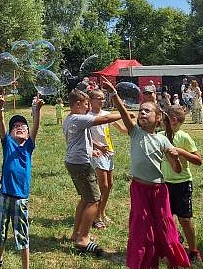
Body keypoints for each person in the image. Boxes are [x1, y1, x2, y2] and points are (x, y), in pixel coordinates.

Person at [110, 79, 191, 269]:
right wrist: (114, 95)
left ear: (158, 118)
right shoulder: (135, 133)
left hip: (159, 191)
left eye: (147, 110)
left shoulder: (162, 140)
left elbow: (177, 169)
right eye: (140, 111)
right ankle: (144, 263)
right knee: (142, 229)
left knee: (165, 228)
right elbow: (123, 113)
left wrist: (175, 157)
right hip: (139, 189)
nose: (142, 113)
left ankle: (174, 260)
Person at [63, 86, 123, 256]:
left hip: (72, 161)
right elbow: (104, 120)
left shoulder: (69, 118)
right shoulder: (79, 118)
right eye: (85, 104)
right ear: (77, 104)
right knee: (94, 200)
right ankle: (83, 238)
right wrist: (125, 114)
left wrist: (93, 148)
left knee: (84, 198)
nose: (88, 107)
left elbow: (79, 140)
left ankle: (75, 233)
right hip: (81, 164)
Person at [0, 94, 44, 269]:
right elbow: (1, 125)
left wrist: (37, 110)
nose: (19, 127)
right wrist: (0, 108)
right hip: (4, 195)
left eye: (22, 127)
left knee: (22, 234)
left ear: (28, 135)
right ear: (10, 134)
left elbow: (35, 126)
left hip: (21, 199)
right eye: (16, 127)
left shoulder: (28, 146)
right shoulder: (8, 144)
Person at [159, 105, 203, 263]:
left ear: (173, 120)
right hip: (164, 184)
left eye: (163, 116)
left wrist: (181, 152)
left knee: (185, 219)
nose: (160, 119)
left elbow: (198, 160)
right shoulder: (159, 135)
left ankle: (193, 249)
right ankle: (173, 239)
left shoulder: (184, 137)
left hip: (182, 183)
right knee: (166, 218)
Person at [87, 89, 127, 229]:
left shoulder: (106, 114)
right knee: (103, 185)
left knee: (109, 185)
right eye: (98, 98)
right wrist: (98, 147)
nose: (102, 101)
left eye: (103, 98)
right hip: (97, 153)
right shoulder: (88, 116)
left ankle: (101, 211)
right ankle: (95, 217)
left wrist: (136, 129)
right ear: (90, 100)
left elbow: (122, 129)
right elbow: (86, 137)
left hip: (109, 152)